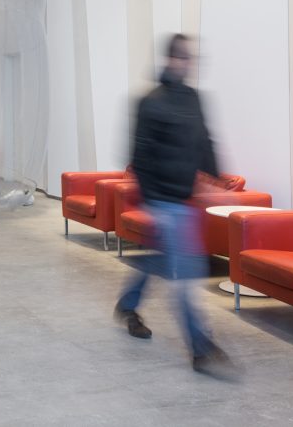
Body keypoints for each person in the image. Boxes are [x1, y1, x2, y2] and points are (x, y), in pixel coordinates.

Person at [114, 33, 236, 376]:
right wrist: (152, 201)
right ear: (169, 59)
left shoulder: (194, 98)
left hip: (184, 198)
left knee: (163, 260)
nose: (187, 63)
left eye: (190, 58)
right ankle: (201, 350)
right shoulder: (150, 102)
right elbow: (139, 156)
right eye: (181, 57)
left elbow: (205, 141)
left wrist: (219, 181)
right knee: (185, 273)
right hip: (164, 201)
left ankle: (127, 304)